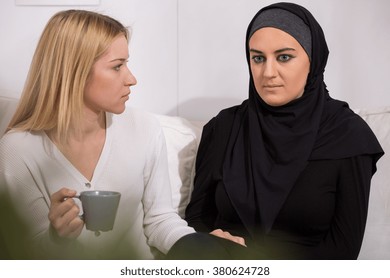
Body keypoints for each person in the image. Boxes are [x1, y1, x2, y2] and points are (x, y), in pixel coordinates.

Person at [184, 2, 384, 259]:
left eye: (284, 57)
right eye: (258, 58)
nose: (268, 72)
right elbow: (197, 218)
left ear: (313, 60)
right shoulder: (225, 127)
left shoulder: (347, 135)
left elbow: (343, 252)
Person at [0, 9, 202, 259]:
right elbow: (23, 257)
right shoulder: (17, 150)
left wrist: (205, 247)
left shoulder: (145, 128)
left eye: (126, 64)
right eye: (117, 67)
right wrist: (56, 238)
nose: (132, 79)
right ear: (74, 72)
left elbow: (160, 220)